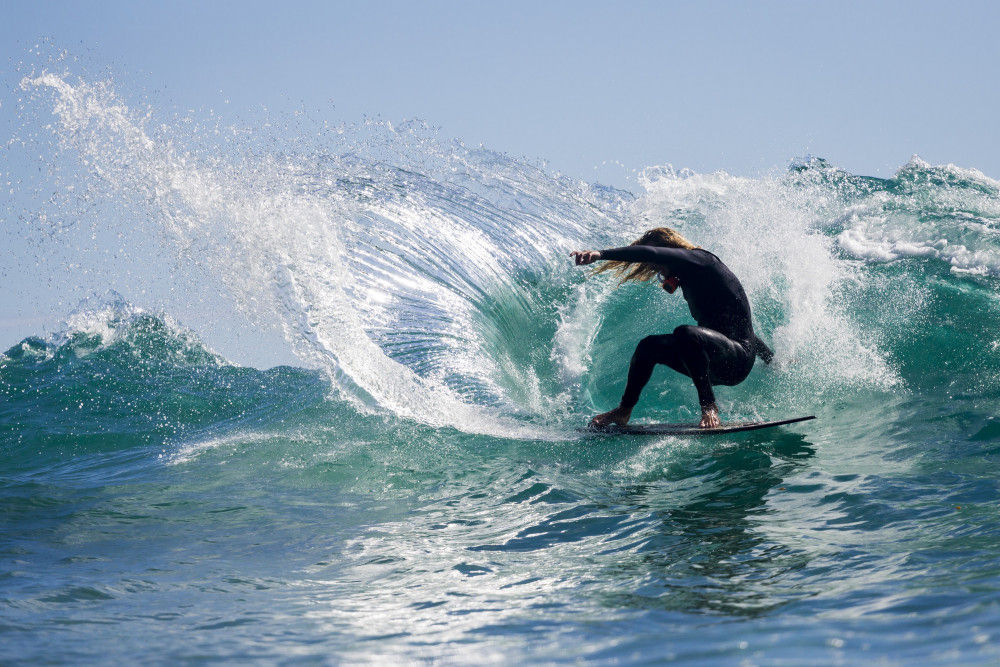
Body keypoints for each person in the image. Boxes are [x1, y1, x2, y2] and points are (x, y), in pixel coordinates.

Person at [571, 228, 773, 429]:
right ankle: (624, 411)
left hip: (737, 361)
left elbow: (743, 335)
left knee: (686, 334)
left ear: (667, 250)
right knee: (648, 346)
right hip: (717, 361)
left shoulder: (701, 260)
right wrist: (771, 359)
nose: (658, 271)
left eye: (657, 265)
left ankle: (709, 407)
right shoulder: (691, 277)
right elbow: (741, 327)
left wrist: (601, 254)